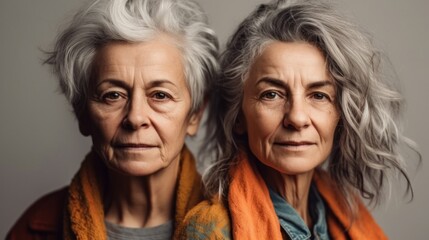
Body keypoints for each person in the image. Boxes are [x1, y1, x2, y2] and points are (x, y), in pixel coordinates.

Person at [178, 0, 420, 239]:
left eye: (318, 95)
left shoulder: (341, 218)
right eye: (271, 94)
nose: (297, 117)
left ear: (342, 115)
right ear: (238, 115)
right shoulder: (210, 231)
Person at [7, 0, 218, 239]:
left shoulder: (235, 224)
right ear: (82, 113)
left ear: (195, 114)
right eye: (113, 96)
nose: (135, 118)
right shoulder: (35, 229)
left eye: (160, 95)